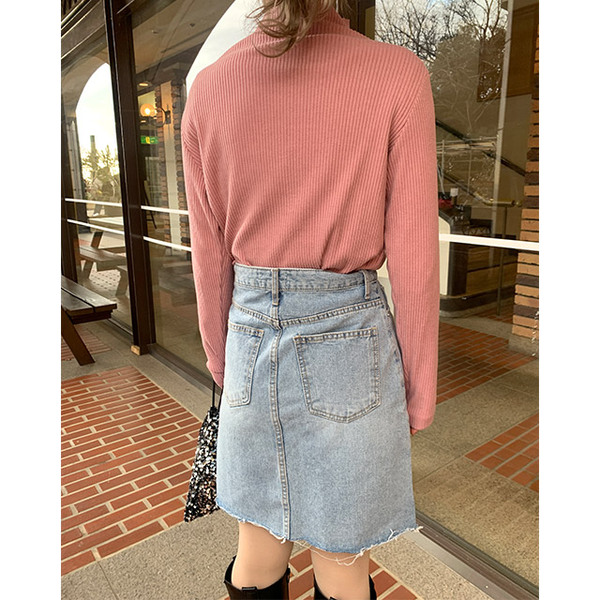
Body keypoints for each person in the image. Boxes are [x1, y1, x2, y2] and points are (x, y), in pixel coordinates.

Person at [181, 1, 439, 599]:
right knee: (343, 564)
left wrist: (224, 364)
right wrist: (419, 389)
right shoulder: (397, 74)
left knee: (257, 552)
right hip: (350, 340)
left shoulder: (210, 88)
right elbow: (415, 258)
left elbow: (209, 259)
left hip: (248, 340)